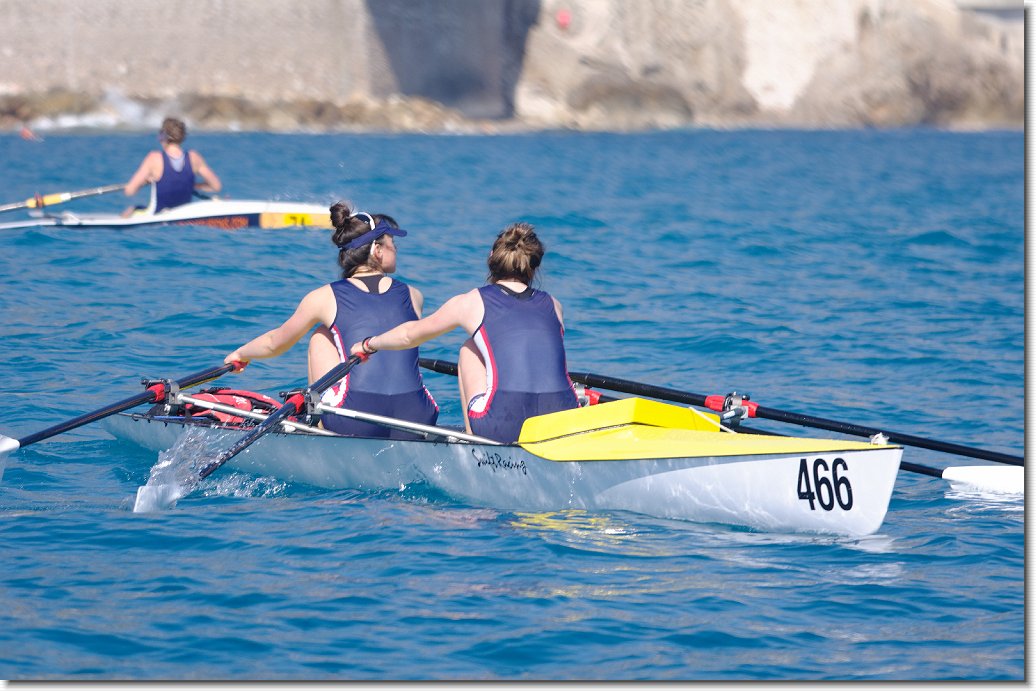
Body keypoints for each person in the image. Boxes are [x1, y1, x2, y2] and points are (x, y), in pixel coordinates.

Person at [223, 203, 439, 439]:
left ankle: (316, 426)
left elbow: (275, 343)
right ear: (377, 250)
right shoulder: (414, 295)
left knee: (321, 335)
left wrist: (241, 354)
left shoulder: (323, 297)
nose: (395, 249)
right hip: (418, 416)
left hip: (356, 420)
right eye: (392, 243)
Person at [349, 222, 578, 443]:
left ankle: (474, 445)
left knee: (470, 348)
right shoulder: (554, 305)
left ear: (491, 258)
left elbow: (409, 335)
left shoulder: (471, 301)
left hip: (504, 424)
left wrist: (369, 344)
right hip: (564, 422)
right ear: (535, 265)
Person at [123, 117, 221, 216]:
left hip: (158, 215)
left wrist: (145, 181)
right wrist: (191, 185)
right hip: (183, 216)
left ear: (162, 136)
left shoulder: (154, 158)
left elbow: (129, 191)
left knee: (131, 210)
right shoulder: (194, 157)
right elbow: (216, 186)